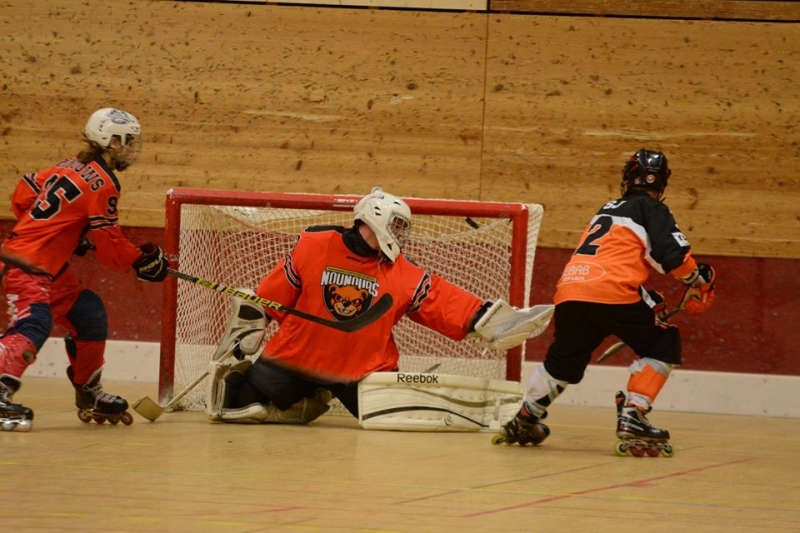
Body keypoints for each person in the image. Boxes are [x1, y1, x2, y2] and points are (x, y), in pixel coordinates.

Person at [205, 187, 554, 424]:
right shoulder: (315, 245)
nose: (401, 235)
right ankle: (300, 398)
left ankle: (308, 398)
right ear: (372, 217)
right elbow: (271, 296)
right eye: (397, 225)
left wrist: (485, 319)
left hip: (364, 372)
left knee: (395, 424)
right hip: (295, 359)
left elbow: (441, 300)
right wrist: (253, 319)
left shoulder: (402, 272)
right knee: (234, 405)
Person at [497, 148, 716, 451]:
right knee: (663, 344)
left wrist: (651, 301)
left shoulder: (606, 210)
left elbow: (611, 262)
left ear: (628, 178)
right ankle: (634, 414)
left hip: (572, 291)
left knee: (564, 358)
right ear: (661, 184)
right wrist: (700, 280)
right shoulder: (652, 209)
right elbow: (673, 257)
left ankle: (525, 417)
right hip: (612, 293)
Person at [0, 108, 170, 431]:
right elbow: (110, 247)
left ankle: (89, 392)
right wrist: (141, 260)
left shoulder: (68, 164)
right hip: (27, 266)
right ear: (110, 141)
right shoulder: (104, 183)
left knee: (88, 313)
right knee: (34, 325)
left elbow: (23, 194)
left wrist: (67, 235)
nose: (132, 149)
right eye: (127, 142)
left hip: (45, 264)